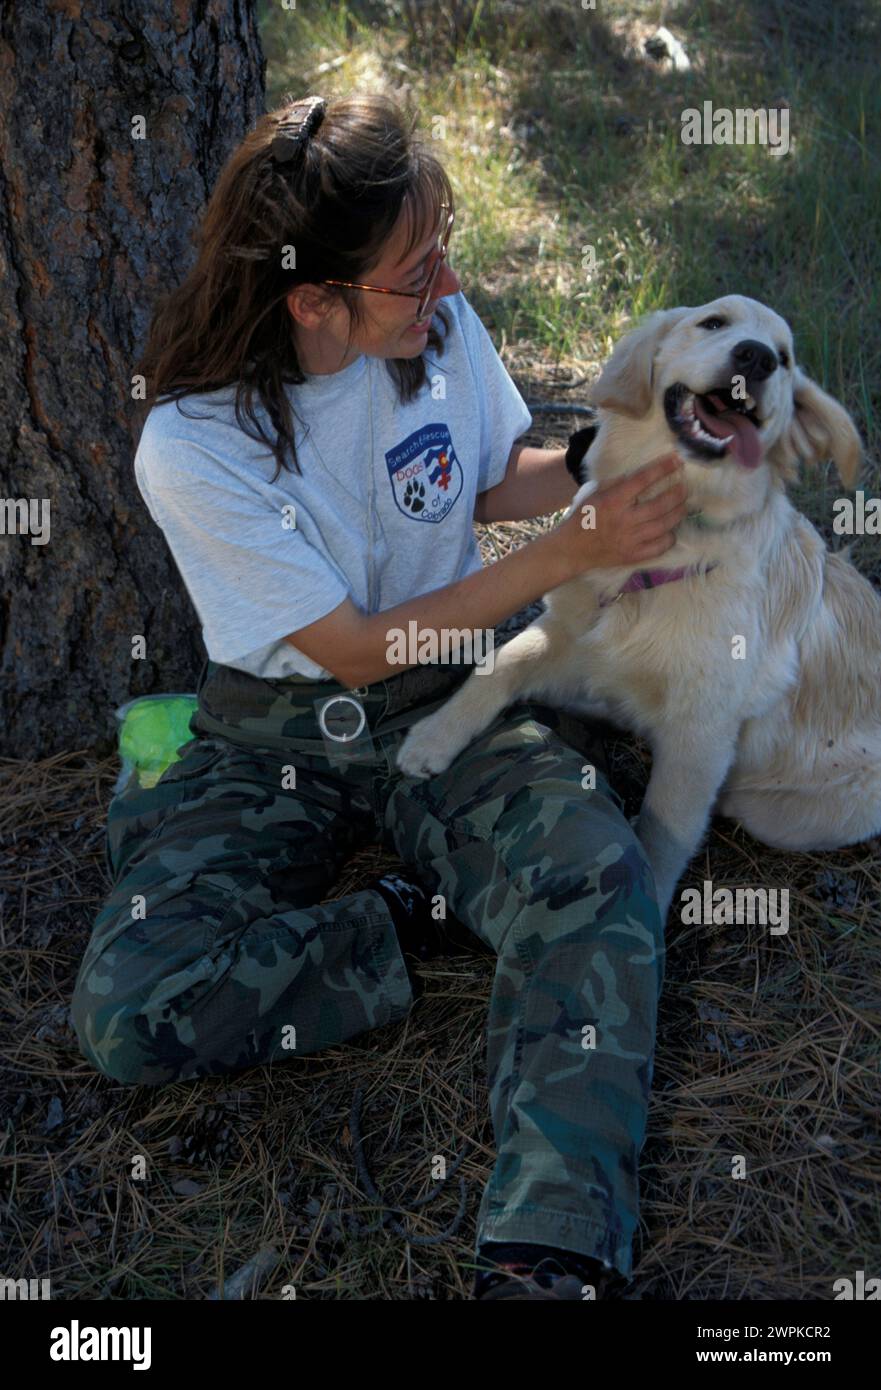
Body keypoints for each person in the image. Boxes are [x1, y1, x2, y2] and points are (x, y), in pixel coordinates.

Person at [71, 92, 687, 1301]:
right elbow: (351, 649)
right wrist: (568, 554)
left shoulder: (432, 329)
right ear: (312, 298)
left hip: (446, 698)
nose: (447, 286)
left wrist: (591, 464)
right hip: (272, 727)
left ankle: (547, 1245)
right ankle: (404, 919)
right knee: (131, 1008)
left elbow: (490, 473)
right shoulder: (194, 446)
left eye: (441, 248)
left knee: (597, 883)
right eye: (413, 273)